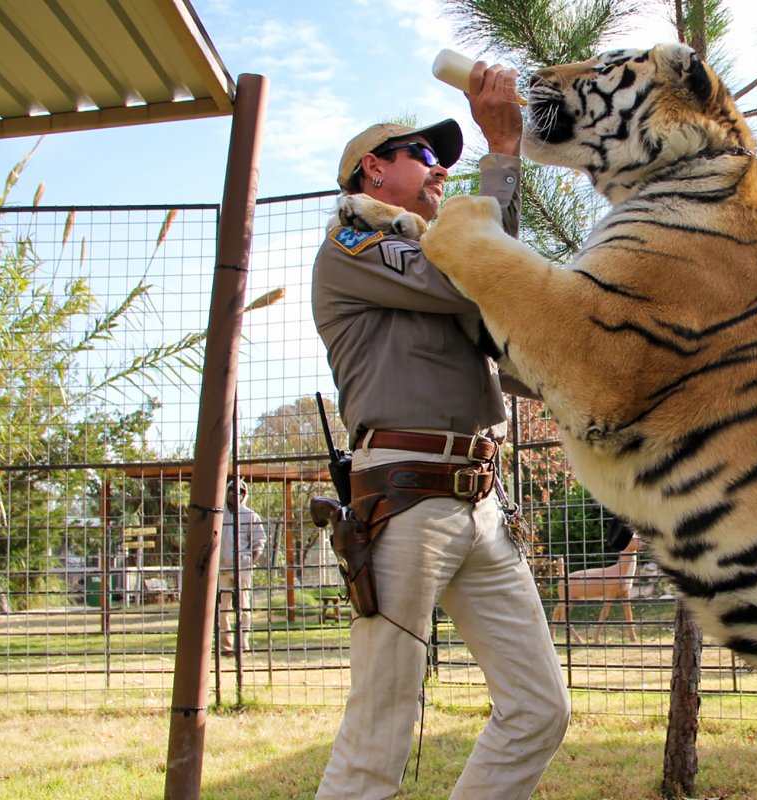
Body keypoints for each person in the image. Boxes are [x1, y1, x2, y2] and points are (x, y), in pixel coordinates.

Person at [311, 59, 570, 799]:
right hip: (404, 499)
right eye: (424, 155)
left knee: (540, 710)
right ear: (372, 170)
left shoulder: (433, 264)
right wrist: (501, 156)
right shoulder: (355, 246)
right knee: (378, 734)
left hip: (482, 503)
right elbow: (480, 276)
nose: (439, 173)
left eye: (447, 162)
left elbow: (508, 309)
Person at [218, 477, 266, 655]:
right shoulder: (219, 513)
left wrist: (250, 560)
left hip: (242, 569)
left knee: (244, 608)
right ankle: (226, 645)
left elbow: (259, 541)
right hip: (221, 569)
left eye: (240, 491)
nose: (235, 494)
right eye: (232, 490)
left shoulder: (250, 515)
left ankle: (243, 644)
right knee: (222, 609)